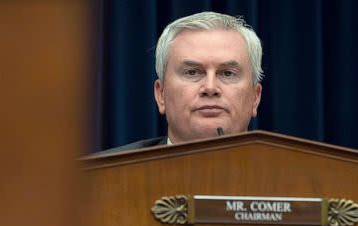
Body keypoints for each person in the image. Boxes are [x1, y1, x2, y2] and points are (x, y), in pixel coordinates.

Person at [101, 11, 263, 153]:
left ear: (255, 97)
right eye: (192, 72)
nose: (210, 87)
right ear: (161, 95)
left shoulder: (286, 175)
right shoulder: (98, 178)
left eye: (227, 73)